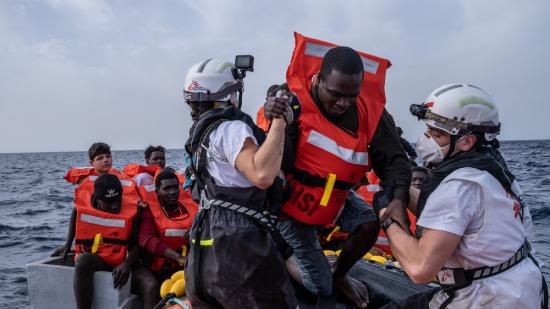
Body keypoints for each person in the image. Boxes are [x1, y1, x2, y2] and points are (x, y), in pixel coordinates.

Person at [263, 33, 412, 308]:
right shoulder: (291, 100)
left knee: (369, 224)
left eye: (351, 96)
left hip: (334, 197)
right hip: (290, 206)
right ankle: (282, 253)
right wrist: (276, 120)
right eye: (335, 95)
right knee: (320, 285)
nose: (343, 103)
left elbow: (396, 161)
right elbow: (270, 163)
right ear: (318, 79)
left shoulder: (371, 111)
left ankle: (340, 272)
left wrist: (399, 197)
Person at [377, 84, 547, 308]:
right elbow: (452, 219)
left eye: (436, 134)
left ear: (467, 141)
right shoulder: (492, 170)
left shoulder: (460, 186)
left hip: (485, 298)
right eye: (428, 130)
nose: (426, 139)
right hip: (522, 288)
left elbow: (420, 269)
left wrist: (388, 219)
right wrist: (401, 185)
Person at [182, 58, 297, 308]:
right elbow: (262, 174)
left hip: (204, 250)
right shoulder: (231, 129)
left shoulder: (200, 136)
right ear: (229, 94)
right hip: (238, 249)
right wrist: (279, 121)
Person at [72, 173, 140, 309]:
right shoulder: (85, 208)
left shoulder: (133, 212)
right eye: (109, 203)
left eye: (118, 201)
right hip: (97, 259)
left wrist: (126, 265)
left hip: (119, 262)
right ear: (96, 199)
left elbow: (138, 244)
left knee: (148, 282)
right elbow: (75, 213)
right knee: (83, 261)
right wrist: (67, 244)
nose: (115, 206)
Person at [137, 168, 198, 304]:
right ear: (157, 192)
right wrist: (178, 257)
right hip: (161, 269)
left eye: (175, 187)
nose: (172, 192)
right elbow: (146, 239)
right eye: (167, 188)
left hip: (189, 266)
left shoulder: (192, 208)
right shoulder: (149, 210)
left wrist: (198, 227)